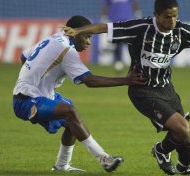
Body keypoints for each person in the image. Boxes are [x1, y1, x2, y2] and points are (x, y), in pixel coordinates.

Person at [63, 0, 190, 175]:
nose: (172, 21)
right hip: (142, 89)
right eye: (167, 17)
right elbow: (105, 27)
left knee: (183, 135)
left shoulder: (181, 32)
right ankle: (161, 151)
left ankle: (184, 169)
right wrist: (79, 31)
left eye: (175, 16)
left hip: (166, 88)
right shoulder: (140, 28)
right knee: (181, 127)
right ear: (157, 15)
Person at [12, 15, 146, 173]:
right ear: (76, 33)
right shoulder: (67, 50)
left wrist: (35, 81)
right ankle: (104, 159)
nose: (89, 42)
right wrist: (126, 80)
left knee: (71, 116)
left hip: (34, 95)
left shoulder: (52, 38)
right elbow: (90, 81)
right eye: (87, 36)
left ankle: (61, 165)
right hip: (26, 100)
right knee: (70, 112)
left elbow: (24, 56)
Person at [100, 0, 142, 72]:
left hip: (128, 20)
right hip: (115, 20)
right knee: (117, 43)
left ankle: (136, 62)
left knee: (131, 42)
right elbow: (106, 4)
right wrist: (104, 17)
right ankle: (118, 63)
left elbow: (134, 1)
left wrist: (137, 12)